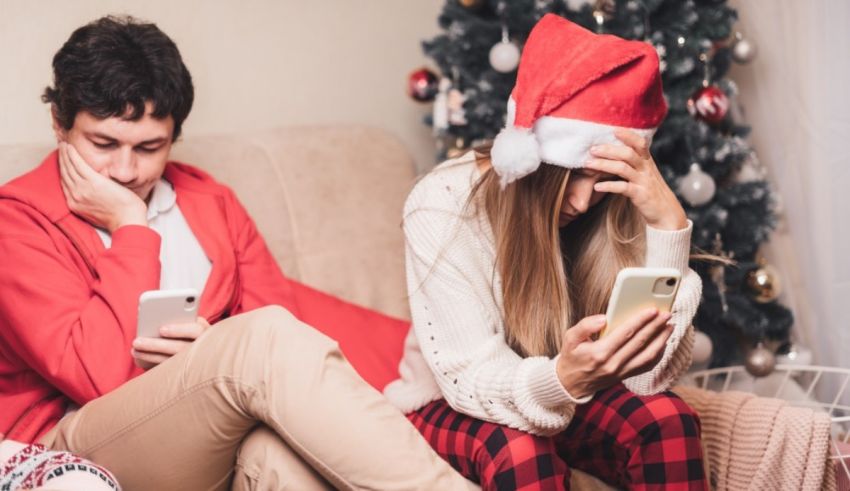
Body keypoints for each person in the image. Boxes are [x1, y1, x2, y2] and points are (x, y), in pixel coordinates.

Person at [0, 15, 473, 491]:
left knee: (278, 461)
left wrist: (206, 353)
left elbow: (288, 347)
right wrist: (130, 227)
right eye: (103, 144)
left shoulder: (211, 203)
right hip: (71, 445)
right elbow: (95, 378)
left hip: (197, 438)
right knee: (260, 340)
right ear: (60, 125)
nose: (124, 171)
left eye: (149, 147)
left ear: (174, 137)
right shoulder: (17, 220)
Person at [384, 14, 707, 490]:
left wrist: (668, 229)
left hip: (568, 390)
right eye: (571, 174)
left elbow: (645, 382)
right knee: (521, 450)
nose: (582, 201)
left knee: (667, 421)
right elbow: (468, 377)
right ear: (529, 158)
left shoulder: (619, 204)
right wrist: (564, 379)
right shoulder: (443, 203)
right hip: (455, 400)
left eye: (601, 181)